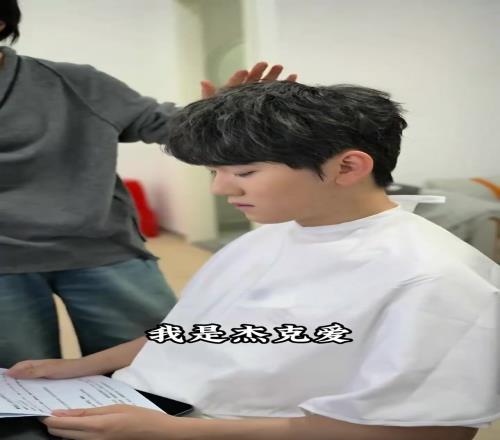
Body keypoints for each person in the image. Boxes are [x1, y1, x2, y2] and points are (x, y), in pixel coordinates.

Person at [7, 81, 499, 439]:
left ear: (348, 166)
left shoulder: (431, 279)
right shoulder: (269, 238)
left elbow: (429, 431)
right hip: (154, 405)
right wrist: (83, 366)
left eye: (244, 172)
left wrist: (171, 432)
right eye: (215, 172)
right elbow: (203, 331)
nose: (221, 189)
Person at [0, 0, 295, 368]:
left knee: (159, 365)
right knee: (18, 382)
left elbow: (172, 127)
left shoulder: (75, 83)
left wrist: (225, 115)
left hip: (100, 249)